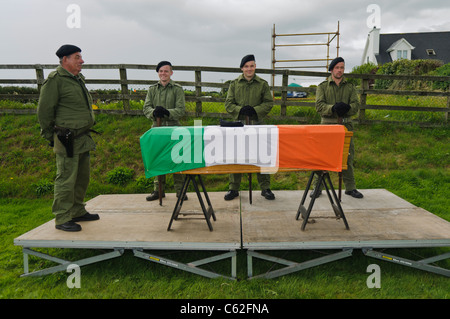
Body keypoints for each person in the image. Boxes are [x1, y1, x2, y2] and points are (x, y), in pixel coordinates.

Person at [37, 44, 99, 232]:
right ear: (65, 60)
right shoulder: (55, 80)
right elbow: (44, 111)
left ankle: (77, 210)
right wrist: (50, 136)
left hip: (82, 137)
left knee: (82, 177)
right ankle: (63, 217)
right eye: (77, 57)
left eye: (81, 57)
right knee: (66, 178)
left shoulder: (77, 78)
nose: (82, 61)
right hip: (66, 138)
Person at [224, 54, 275, 201]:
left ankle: (265, 188)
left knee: (261, 156)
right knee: (236, 156)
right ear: (242, 68)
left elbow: (268, 103)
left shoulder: (262, 84)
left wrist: (255, 111)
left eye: (252, 66)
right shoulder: (234, 84)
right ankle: (233, 188)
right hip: (238, 126)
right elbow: (228, 104)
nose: (249, 69)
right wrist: (240, 110)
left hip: (257, 125)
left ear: (255, 67)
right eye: (246, 66)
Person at [314, 57, 363, 198]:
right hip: (327, 125)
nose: (340, 70)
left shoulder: (350, 87)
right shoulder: (322, 86)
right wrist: (333, 108)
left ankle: (350, 187)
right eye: (337, 68)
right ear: (331, 69)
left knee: (347, 156)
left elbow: (356, 106)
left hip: (345, 125)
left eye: (342, 67)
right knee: (322, 157)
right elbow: (319, 106)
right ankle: (317, 187)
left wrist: (347, 108)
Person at [143, 61, 187, 201]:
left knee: (176, 159)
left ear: (171, 73)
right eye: (161, 71)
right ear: (158, 73)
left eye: (166, 71)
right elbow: (146, 108)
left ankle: (180, 191)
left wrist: (167, 112)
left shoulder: (177, 89)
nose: (163, 73)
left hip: (174, 130)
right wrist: (154, 113)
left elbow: (181, 110)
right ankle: (158, 190)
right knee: (158, 159)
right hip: (157, 129)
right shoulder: (152, 89)